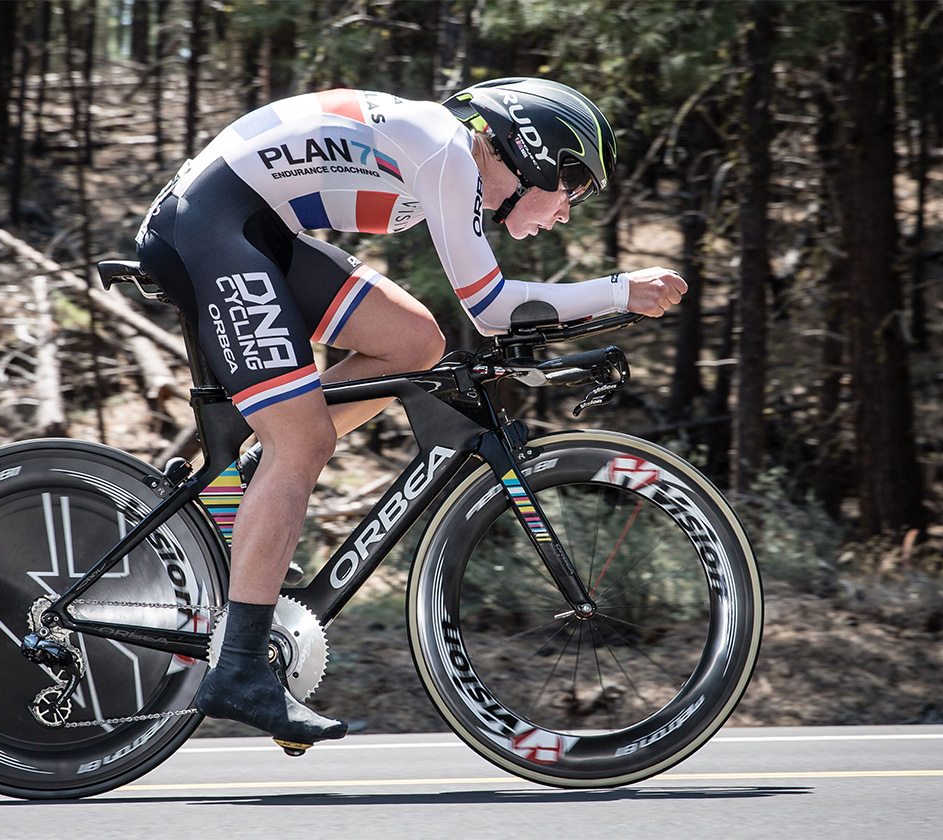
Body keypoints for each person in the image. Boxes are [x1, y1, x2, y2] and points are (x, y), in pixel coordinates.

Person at [135, 77, 687, 748]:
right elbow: (490, 308)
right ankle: (242, 670)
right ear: (534, 152)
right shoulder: (450, 154)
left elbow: (478, 320)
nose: (567, 210)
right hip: (208, 228)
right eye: (573, 187)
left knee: (416, 344)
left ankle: (257, 472)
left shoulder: (443, 152)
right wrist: (619, 290)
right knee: (303, 442)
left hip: (251, 228)